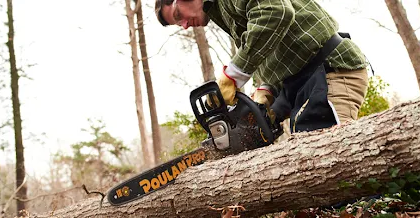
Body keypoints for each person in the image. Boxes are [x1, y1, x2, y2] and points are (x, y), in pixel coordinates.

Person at [155, 0, 370, 133]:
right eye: (178, 23)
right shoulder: (221, 10)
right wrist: (265, 89)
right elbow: (268, 45)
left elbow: (276, 11)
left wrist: (234, 74)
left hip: (329, 70)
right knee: (258, 131)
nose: (183, 25)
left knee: (327, 160)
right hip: (297, 82)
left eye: (178, 15)